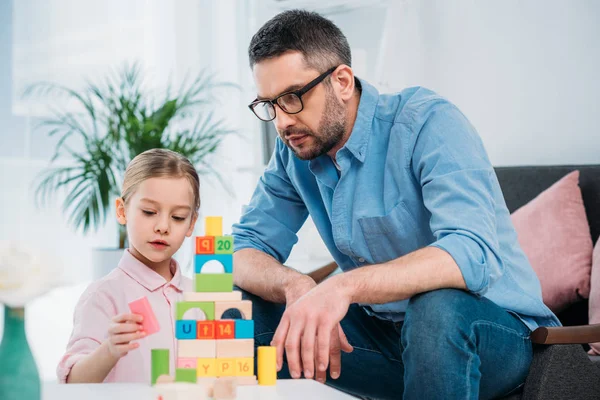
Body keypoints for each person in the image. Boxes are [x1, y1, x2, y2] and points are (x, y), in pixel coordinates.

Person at [231, 9, 560, 400]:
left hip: (495, 336)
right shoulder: (294, 153)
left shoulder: (427, 123)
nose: (282, 122)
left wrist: (343, 287)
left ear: (341, 81)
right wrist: (297, 286)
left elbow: (471, 252)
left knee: (434, 309)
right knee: (235, 312)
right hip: (386, 339)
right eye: (270, 105)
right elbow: (239, 250)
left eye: (292, 98)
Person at [57, 148, 200, 383]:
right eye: (149, 212)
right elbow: (73, 382)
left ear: (191, 223)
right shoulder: (104, 296)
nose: (163, 226)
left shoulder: (199, 296)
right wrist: (109, 350)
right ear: (122, 211)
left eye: (178, 217)